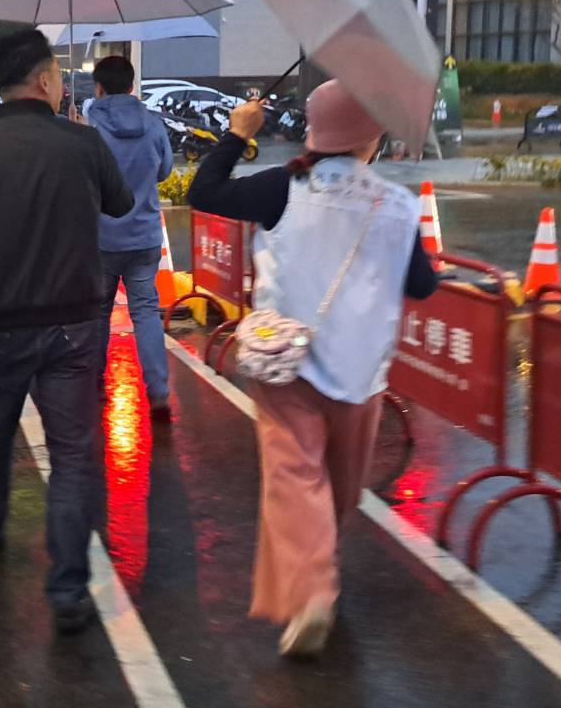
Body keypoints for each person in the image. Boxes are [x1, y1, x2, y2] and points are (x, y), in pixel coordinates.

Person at [186, 80, 438, 658]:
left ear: (314, 130)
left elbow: (206, 192)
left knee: (296, 477)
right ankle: (317, 576)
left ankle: (311, 594)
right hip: (360, 373)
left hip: (285, 363)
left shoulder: (284, 187)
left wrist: (236, 133)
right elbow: (421, 284)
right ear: (370, 138)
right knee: (341, 488)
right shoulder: (397, 207)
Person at [0, 29, 134, 635]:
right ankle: (69, 590)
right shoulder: (81, 142)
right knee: (74, 454)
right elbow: (121, 204)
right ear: (46, 80)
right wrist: (81, 139)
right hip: (75, 324)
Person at [85, 55, 175, 419]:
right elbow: (165, 170)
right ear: (132, 87)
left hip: (101, 238)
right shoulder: (153, 125)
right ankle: (159, 391)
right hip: (144, 236)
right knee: (146, 313)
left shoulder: (89, 126)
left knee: (98, 313)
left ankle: (95, 386)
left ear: (99, 88)